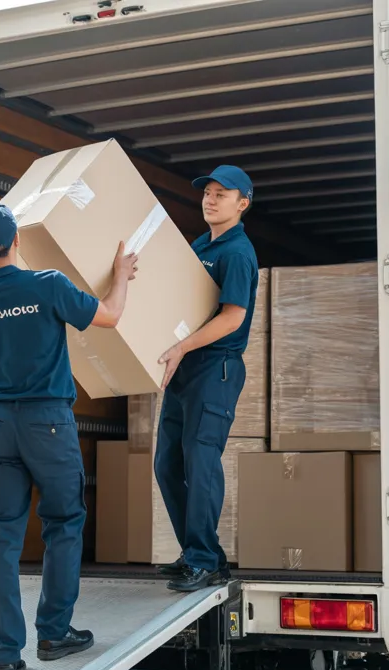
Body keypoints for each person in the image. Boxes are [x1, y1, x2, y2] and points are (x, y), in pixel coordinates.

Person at [0, 202, 138, 670]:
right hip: (46, 422)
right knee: (64, 521)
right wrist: (120, 274)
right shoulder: (47, 285)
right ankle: (54, 632)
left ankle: (3, 653)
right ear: (17, 241)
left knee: (0, 534)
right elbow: (111, 317)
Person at [154, 165, 259, 593]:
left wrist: (182, 347)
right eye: (208, 193)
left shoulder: (236, 252)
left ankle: (203, 560)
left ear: (243, 203)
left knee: (200, 461)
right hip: (186, 369)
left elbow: (232, 318)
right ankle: (201, 554)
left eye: (222, 194)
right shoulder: (200, 246)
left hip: (214, 368)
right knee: (167, 464)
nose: (211, 199)